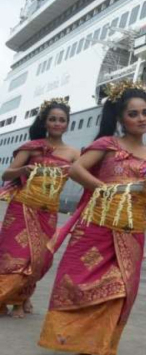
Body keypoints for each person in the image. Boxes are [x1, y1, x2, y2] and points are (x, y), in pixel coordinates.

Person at [38, 80, 146, 355]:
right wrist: (104, 189)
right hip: (97, 227)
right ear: (121, 118)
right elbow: (77, 170)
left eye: (145, 112)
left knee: (120, 290)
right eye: (133, 114)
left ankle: (99, 346)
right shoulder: (107, 144)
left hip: (131, 230)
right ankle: (78, 342)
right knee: (81, 283)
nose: (141, 119)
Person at [0, 98, 79, 319]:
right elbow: (6, 175)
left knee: (40, 259)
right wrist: (24, 168)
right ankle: (13, 301)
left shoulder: (73, 154)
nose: (57, 123)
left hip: (49, 212)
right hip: (22, 208)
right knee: (16, 257)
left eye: (61, 120)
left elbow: (85, 176)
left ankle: (22, 296)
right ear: (45, 122)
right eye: (52, 119)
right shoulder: (32, 147)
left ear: (67, 124)